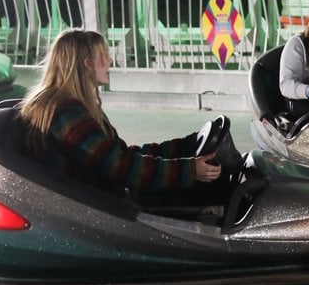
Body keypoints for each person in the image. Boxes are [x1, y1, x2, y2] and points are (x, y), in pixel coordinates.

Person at [17, 29, 222, 196]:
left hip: (93, 199)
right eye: (104, 56)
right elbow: (117, 166)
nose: (110, 62)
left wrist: (185, 146)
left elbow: (120, 154)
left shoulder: (70, 106)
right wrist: (189, 171)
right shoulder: (65, 114)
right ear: (87, 64)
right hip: (91, 209)